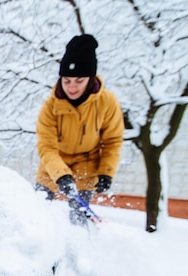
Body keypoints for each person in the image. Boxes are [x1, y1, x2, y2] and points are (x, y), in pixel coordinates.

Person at [35, 34, 124, 226]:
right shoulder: (50, 106)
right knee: (37, 213)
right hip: (53, 164)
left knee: (79, 220)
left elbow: (112, 141)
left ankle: (79, 253)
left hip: (87, 165)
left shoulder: (107, 102)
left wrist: (106, 171)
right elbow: (46, 146)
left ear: (90, 78)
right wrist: (61, 175)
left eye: (79, 80)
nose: (72, 87)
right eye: (66, 81)